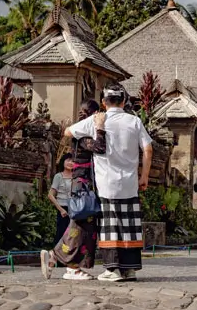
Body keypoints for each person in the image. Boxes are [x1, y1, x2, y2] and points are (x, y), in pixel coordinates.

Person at [65, 84, 153, 282]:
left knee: (110, 226)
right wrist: (144, 176)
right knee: (129, 226)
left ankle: (112, 270)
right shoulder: (135, 121)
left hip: (107, 184)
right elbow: (148, 149)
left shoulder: (97, 120)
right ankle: (130, 269)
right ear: (123, 101)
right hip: (130, 183)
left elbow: (68, 132)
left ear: (104, 103)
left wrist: (94, 130)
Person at [41, 100, 106, 281]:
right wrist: (100, 129)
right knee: (80, 226)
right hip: (82, 185)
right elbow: (100, 147)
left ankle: (56, 258)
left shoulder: (81, 131)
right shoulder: (82, 133)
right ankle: (70, 267)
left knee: (83, 225)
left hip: (84, 184)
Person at [48, 154, 75, 247]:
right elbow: (50, 195)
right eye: (68, 160)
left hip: (75, 210)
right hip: (63, 210)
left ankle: (70, 259)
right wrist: (61, 209)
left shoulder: (77, 177)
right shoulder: (58, 176)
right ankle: (56, 257)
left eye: (73, 161)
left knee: (73, 235)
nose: (70, 163)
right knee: (61, 234)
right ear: (63, 162)